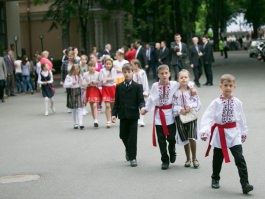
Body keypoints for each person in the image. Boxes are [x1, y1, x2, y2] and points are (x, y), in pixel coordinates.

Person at [199, 74, 253, 194]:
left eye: (230, 85)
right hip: (220, 134)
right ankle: (215, 178)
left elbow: (241, 118)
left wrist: (244, 132)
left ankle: (245, 184)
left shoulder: (238, 102)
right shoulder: (216, 103)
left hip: (234, 134)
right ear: (220, 86)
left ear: (234, 87)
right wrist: (205, 132)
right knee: (218, 159)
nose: (228, 88)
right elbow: (207, 117)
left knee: (240, 158)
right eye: (225, 85)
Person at [141, 65, 177, 170]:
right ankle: (164, 160)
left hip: (170, 115)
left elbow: (186, 83)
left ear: (169, 73)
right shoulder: (155, 86)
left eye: (166, 73)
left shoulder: (175, 84)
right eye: (162, 73)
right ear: (158, 75)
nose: (164, 75)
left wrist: (192, 88)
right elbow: (151, 99)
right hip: (159, 117)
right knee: (161, 140)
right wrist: (146, 109)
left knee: (171, 138)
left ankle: (172, 150)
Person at [112, 63, 145, 167]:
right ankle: (128, 150)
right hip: (123, 115)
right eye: (125, 72)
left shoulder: (137, 86)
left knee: (132, 138)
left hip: (133, 115)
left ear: (132, 73)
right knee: (122, 135)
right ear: (122, 73)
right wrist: (114, 114)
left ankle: (133, 157)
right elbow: (116, 101)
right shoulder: (119, 86)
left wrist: (142, 107)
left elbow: (141, 100)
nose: (127, 74)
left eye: (129, 72)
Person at [173, 69, 201, 168]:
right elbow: (174, 104)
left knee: (191, 137)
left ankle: (194, 158)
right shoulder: (175, 92)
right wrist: (180, 110)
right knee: (185, 138)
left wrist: (190, 106)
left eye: (186, 77)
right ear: (178, 79)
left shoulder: (192, 90)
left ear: (189, 79)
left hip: (191, 117)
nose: (184, 79)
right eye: (181, 77)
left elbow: (197, 102)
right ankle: (188, 159)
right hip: (180, 117)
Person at [63, 64, 84, 130]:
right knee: (74, 109)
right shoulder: (68, 76)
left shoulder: (79, 76)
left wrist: (82, 83)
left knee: (80, 108)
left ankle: (81, 123)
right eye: (75, 70)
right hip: (71, 92)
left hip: (78, 91)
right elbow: (65, 85)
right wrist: (71, 83)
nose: (76, 72)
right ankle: (75, 123)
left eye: (78, 70)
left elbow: (81, 84)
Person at [82, 61, 101, 127]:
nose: (92, 68)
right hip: (89, 90)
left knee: (95, 105)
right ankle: (94, 119)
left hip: (95, 90)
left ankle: (96, 120)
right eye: (90, 66)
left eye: (93, 66)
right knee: (91, 105)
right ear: (88, 67)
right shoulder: (85, 74)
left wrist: (96, 82)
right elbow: (83, 83)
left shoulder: (98, 74)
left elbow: (100, 82)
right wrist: (87, 84)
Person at [99, 58, 117, 128]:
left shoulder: (114, 70)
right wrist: (104, 80)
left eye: (109, 64)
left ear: (112, 64)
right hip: (105, 89)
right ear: (104, 64)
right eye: (107, 64)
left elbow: (114, 79)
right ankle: (108, 121)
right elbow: (101, 80)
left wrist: (106, 79)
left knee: (112, 105)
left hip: (112, 88)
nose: (108, 65)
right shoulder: (102, 71)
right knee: (107, 105)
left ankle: (113, 116)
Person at [131, 59, 149, 127]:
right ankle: (136, 119)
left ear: (136, 65)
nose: (131, 66)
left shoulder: (142, 72)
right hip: (134, 90)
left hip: (141, 90)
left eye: (132, 65)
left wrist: (146, 91)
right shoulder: (132, 73)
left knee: (142, 106)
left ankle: (141, 120)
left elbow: (145, 82)